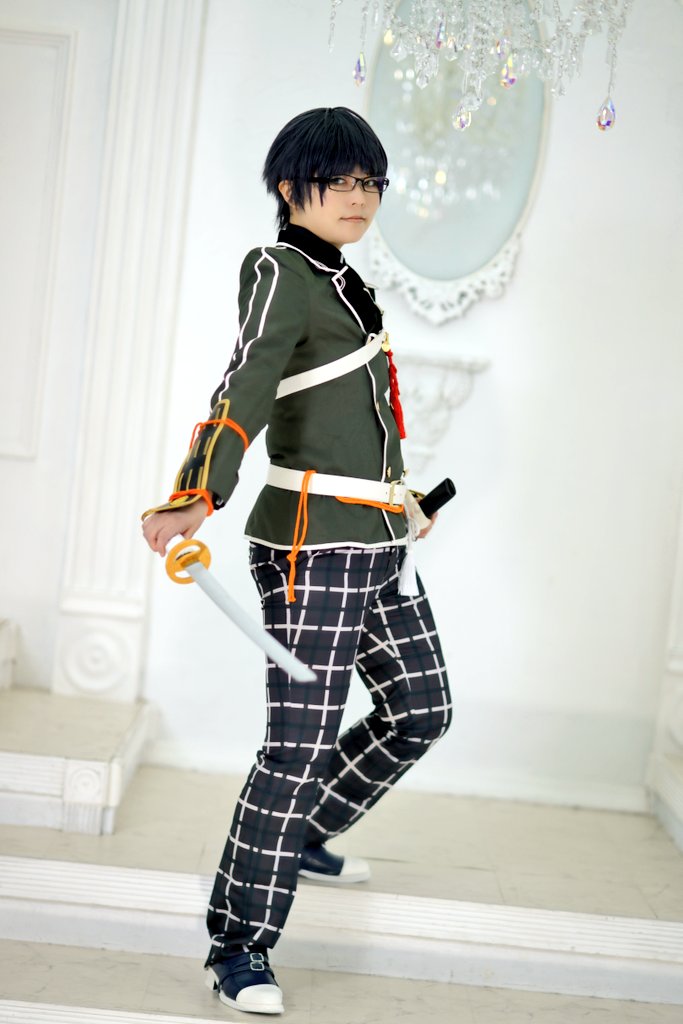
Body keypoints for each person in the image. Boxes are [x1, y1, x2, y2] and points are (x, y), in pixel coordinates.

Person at [142, 106, 452, 1016]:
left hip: (376, 538)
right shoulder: (278, 269)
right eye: (339, 181)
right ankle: (237, 946)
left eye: (370, 182)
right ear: (290, 187)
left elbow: (352, 419)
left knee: (421, 708)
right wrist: (198, 490)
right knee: (299, 745)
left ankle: (301, 834)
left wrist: (401, 498)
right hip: (310, 546)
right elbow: (246, 382)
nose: (359, 197)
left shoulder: (345, 281)